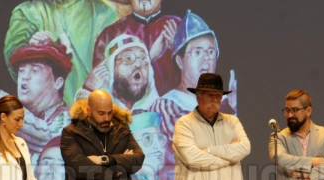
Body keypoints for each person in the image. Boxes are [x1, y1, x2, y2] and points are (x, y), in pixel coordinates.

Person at [2, 0, 118, 105]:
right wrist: (42, 51)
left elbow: (116, 65)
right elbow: (15, 60)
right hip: (47, 114)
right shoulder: (27, 12)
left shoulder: (103, 13)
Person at [0, 43, 72, 162]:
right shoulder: (22, 120)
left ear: (58, 82)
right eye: (21, 70)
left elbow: (44, 136)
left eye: (35, 70)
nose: (25, 77)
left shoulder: (66, 121)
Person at [150, 9, 237, 143]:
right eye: (197, 53)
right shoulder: (164, 105)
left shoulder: (228, 100)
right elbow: (190, 141)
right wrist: (228, 108)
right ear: (180, 61)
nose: (206, 59)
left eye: (211, 52)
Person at [92, 0, 181, 95]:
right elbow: (101, 82)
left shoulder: (179, 26)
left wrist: (180, 51)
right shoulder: (111, 33)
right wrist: (150, 57)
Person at [80, 35, 159, 114]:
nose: (138, 64)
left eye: (143, 59)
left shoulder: (161, 109)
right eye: (128, 58)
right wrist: (87, 90)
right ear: (111, 67)